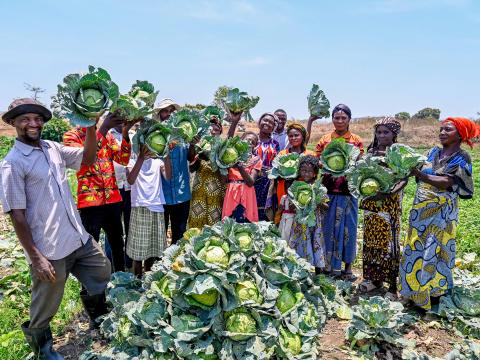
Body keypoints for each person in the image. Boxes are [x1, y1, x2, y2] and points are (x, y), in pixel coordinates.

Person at [0, 98, 111, 359]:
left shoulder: (51, 148)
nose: (33, 123)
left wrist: (92, 125)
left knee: (101, 270)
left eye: (37, 118)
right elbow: (16, 214)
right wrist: (36, 257)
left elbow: (87, 157)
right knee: (46, 303)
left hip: (76, 236)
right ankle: (43, 349)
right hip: (49, 247)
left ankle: (98, 317)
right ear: (14, 123)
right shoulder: (13, 163)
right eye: (25, 119)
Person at [399, 117, 478, 310]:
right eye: (441, 129)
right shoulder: (432, 152)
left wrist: (422, 175)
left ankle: (432, 299)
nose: (442, 132)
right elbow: (417, 172)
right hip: (420, 210)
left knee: (436, 252)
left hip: (442, 214)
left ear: (460, 134)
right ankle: (412, 293)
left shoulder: (462, 157)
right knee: (414, 249)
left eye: (448, 130)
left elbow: (448, 182)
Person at [63, 112, 135, 273]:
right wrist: (103, 128)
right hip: (90, 204)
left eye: (97, 113)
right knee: (90, 247)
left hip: (113, 200)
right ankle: (92, 290)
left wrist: (125, 134)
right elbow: (84, 158)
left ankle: (120, 281)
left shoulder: (108, 136)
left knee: (117, 244)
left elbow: (123, 159)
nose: (94, 117)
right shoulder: (71, 136)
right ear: (81, 113)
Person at [315, 104, 364, 280]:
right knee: (327, 228)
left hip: (349, 191)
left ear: (349, 119)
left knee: (348, 230)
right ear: (332, 119)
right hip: (329, 190)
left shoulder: (356, 140)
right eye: (337, 117)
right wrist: (325, 165)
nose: (340, 121)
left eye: (344, 118)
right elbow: (317, 160)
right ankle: (327, 265)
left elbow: (359, 162)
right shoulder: (325, 139)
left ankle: (347, 267)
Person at [360, 117, 406, 297]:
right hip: (371, 203)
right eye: (378, 132)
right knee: (371, 242)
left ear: (394, 134)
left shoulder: (398, 153)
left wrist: (387, 193)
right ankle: (374, 279)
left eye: (386, 132)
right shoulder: (371, 152)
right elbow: (361, 174)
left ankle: (392, 288)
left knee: (389, 244)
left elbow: (404, 179)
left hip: (389, 204)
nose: (381, 135)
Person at [154, 98, 196, 244]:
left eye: (172, 111)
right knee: (160, 234)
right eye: (165, 111)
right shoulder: (154, 137)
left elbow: (191, 158)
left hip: (181, 194)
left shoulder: (184, 137)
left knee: (179, 234)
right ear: (159, 114)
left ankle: (175, 264)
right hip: (160, 195)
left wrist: (193, 144)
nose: (169, 114)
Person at [126, 145, 171, 277]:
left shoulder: (158, 162)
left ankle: (147, 281)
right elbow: (130, 180)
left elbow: (168, 176)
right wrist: (140, 158)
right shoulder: (132, 161)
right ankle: (137, 280)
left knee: (152, 250)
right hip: (140, 207)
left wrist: (167, 155)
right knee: (138, 253)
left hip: (157, 207)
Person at [288, 155, 327, 273]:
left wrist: (317, 201)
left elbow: (326, 206)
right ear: (299, 171)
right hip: (300, 221)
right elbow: (291, 204)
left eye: (310, 171)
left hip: (315, 222)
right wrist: (295, 204)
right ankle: (300, 270)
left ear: (315, 173)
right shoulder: (296, 186)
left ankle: (318, 272)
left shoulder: (319, 187)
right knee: (300, 243)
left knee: (315, 244)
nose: (306, 174)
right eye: (304, 170)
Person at [273, 123, 316, 225]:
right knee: (286, 221)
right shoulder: (282, 154)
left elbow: (314, 177)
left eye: (296, 135)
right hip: (284, 192)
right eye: (290, 136)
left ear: (303, 136)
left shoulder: (310, 154)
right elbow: (276, 175)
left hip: (304, 194)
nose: (293, 138)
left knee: (302, 222)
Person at [188, 119, 226, 228]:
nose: (213, 132)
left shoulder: (223, 147)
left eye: (216, 130)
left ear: (220, 132)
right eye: (210, 129)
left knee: (215, 219)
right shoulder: (200, 146)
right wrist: (195, 149)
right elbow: (192, 167)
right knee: (197, 219)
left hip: (217, 190)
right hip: (200, 188)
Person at [108, 123, 134, 269]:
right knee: (113, 229)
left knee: (131, 226)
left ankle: (128, 263)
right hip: (113, 188)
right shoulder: (107, 134)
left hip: (130, 189)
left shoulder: (134, 135)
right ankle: (111, 262)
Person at [222, 131, 262, 223]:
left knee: (246, 221)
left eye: (253, 142)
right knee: (229, 221)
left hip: (247, 192)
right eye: (247, 140)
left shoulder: (256, 160)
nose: (249, 143)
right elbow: (224, 180)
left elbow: (251, 182)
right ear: (241, 141)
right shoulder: (231, 157)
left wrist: (240, 167)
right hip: (232, 191)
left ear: (255, 146)